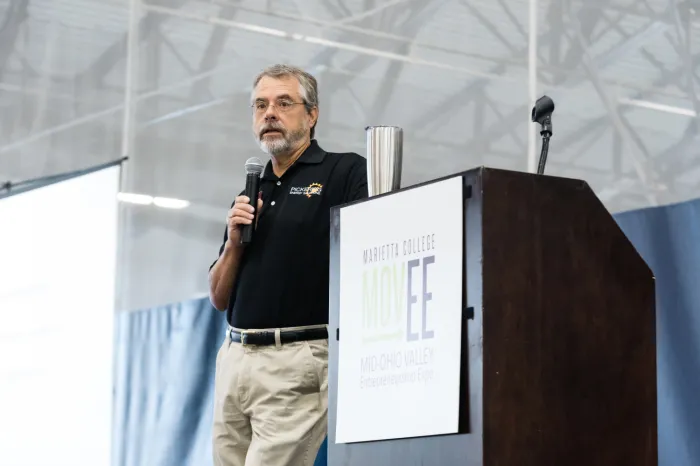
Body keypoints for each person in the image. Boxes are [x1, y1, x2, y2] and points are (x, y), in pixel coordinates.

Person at [208, 64, 368, 466]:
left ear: (312, 114)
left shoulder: (343, 172)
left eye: (283, 103)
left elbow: (369, 254)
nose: (269, 114)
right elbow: (218, 297)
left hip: (297, 356)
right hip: (234, 357)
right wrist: (233, 243)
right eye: (260, 105)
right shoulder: (250, 192)